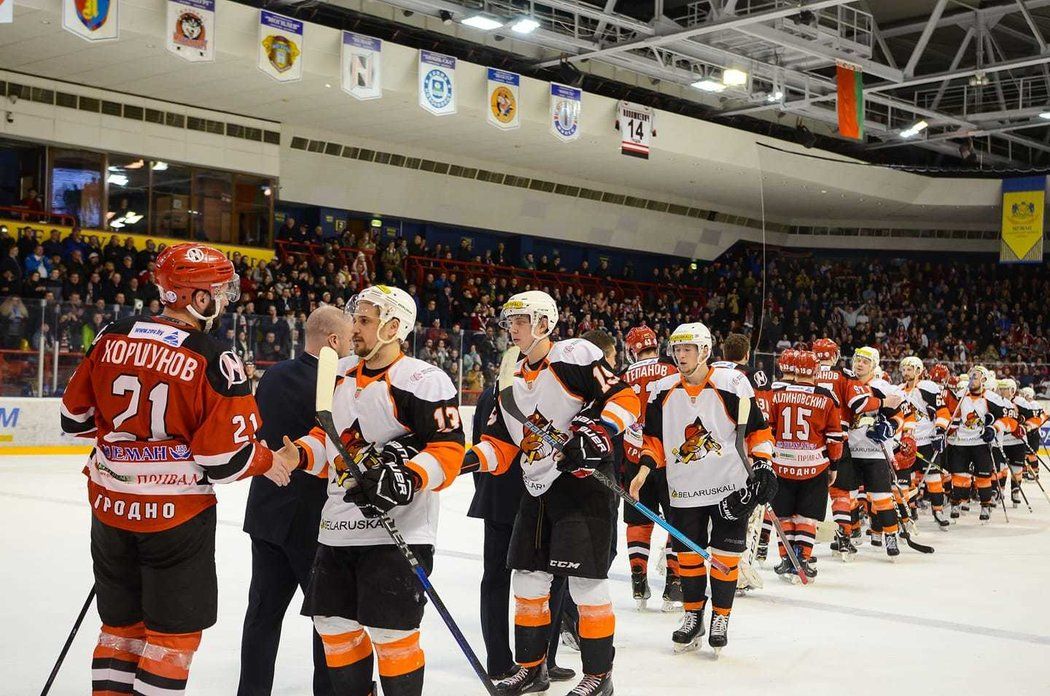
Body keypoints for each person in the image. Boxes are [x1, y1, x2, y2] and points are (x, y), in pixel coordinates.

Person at [59, 243, 298, 696]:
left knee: (119, 630)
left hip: (109, 512)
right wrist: (270, 461)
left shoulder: (112, 334)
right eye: (220, 291)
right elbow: (224, 461)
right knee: (171, 639)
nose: (225, 299)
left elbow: (74, 421)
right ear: (198, 298)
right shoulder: (214, 357)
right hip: (176, 521)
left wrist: (130, 450)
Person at [289, 284, 465, 696]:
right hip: (336, 527)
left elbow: (450, 449)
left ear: (394, 326)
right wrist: (298, 455)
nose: (355, 329)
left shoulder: (424, 380)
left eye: (365, 320)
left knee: (392, 634)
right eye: (356, 319)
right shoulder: (340, 373)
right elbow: (327, 440)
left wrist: (407, 477)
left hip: (397, 532)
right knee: (333, 626)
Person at [465, 290, 640, 696]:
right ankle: (532, 667)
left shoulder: (574, 355)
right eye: (509, 322)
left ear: (545, 323)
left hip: (583, 486)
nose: (512, 329)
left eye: (520, 321)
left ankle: (599, 675)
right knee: (528, 578)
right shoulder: (508, 379)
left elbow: (626, 396)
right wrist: (459, 463)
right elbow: (500, 444)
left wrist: (600, 432)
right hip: (536, 487)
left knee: (585, 583)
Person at [628, 322, 775, 655]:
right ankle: (693, 615)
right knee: (689, 556)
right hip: (684, 489)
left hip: (729, 487)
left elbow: (758, 432)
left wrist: (764, 463)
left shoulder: (733, 384)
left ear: (705, 351)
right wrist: (643, 471)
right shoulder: (661, 389)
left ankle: (720, 617)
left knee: (725, 557)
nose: (680, 356)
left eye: (687, 350)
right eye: (677, 350)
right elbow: (653, 440)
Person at [238, 306, 354, 696]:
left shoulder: (273, 374)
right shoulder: (337, 385)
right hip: (312, 520)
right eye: (350, 339)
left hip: (268, 509)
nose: (354, 346)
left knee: (262, 616)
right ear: (334, 341)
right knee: (329, 619)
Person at [766, 350, 842, 582]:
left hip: (781, 464)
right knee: (807, 517)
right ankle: (803, 558)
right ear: (816, 371)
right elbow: (835, 437)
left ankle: (787, 558)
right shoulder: (826, 397)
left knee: (784, 515)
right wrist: (835, 465)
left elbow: (767, 429)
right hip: (815, 466)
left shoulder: (776, 394)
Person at [620, 325, 681, 610]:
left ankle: (638, 578)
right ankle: (673, 583)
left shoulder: (623, 376)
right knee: (676, 520)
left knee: (638, 521)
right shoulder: (673, 370)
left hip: (634, 457)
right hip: (670, 458)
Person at [844, 347, 907, 557]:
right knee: (848, 497)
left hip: (875, 453)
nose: (859, 364)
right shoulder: (846, 383)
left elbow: (899, 417)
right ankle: (850, 534)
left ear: (874, 365)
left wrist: (888, 427)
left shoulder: (881, 387)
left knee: (881, 497)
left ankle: (890, 535)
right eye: (857, 359)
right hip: (850, 451)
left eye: (865, 361)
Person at [947, 366, 1016, 522]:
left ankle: (985, 504)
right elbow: (951, 416)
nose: (971, 380)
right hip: (961, 442)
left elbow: (1007, 419)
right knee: (959, 476)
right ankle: (956, 502)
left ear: (983, 380)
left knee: (983, 477)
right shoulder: (960, 395)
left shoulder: (992, 397)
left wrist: (993, 428)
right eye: (970, 376)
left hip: (980, 443)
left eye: (975, 377)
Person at [897, 357, 951, 528]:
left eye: (910, 369)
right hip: (906, 443)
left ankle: (938, 510)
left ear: (918, 370)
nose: (906, 373)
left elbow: (943, 411)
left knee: (933, 478)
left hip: (927, 440)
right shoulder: (898, 390)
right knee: (908, 480)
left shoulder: (927, 387)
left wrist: (940, 431)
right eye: (904, 369)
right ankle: (910, 511)